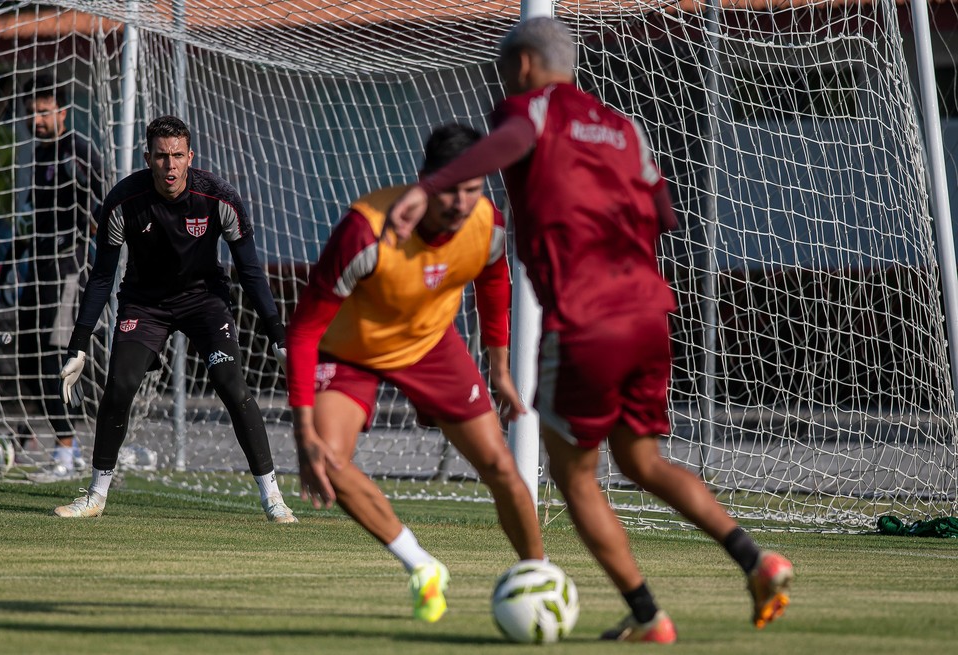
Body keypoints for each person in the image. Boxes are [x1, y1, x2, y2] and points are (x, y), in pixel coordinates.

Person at [387, 17, 794, 643]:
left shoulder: (530, 109)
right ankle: (756, 560)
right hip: (650, 313)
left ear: (523, 65)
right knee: (640, 460)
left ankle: (647, 614)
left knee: (574, 475)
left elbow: (512, 139)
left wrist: (432, 184)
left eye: (504, 71)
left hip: (586, 317)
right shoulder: (623, 128)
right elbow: (665, 214)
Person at [285, 124, 545, 623]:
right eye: (451, 188)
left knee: (500, 465)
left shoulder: (487, 222)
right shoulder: (365, 231)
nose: (462, 201)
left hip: (429, 344)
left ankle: (539, 574)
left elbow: (494, 280)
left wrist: (499, 368)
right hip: (348, 352)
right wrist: (302, 432)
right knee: (329, 460)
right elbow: (302, 332)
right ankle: (423, 567)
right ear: (425, 180)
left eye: (474, 188)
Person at [53, 115, 297, 525]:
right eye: (162, 156)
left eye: (178, 156)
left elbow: (251, 272)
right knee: (120, 385)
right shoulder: (121, 203)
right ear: (147, 157)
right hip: (144, 305)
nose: (170, 165)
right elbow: (101, 277)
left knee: (231, 384)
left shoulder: (219, 199)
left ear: (190, 157)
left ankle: (273, 496)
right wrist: (78, 342)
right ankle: (95, 495)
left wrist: (278, 336)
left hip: (205, 302)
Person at [0, 74, 104, 476]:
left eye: (43, 112)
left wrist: (90, 226)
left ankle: (66, 451)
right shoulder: (39, 155)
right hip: (35, 272)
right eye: (30, 113)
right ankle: (30, 437)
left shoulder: (76, 151)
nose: (36, 120)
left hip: (67, 270)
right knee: (26, 356)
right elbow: (30, 220)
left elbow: (106, 207)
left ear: (61, 112)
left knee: (58, 358)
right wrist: (10, 263)